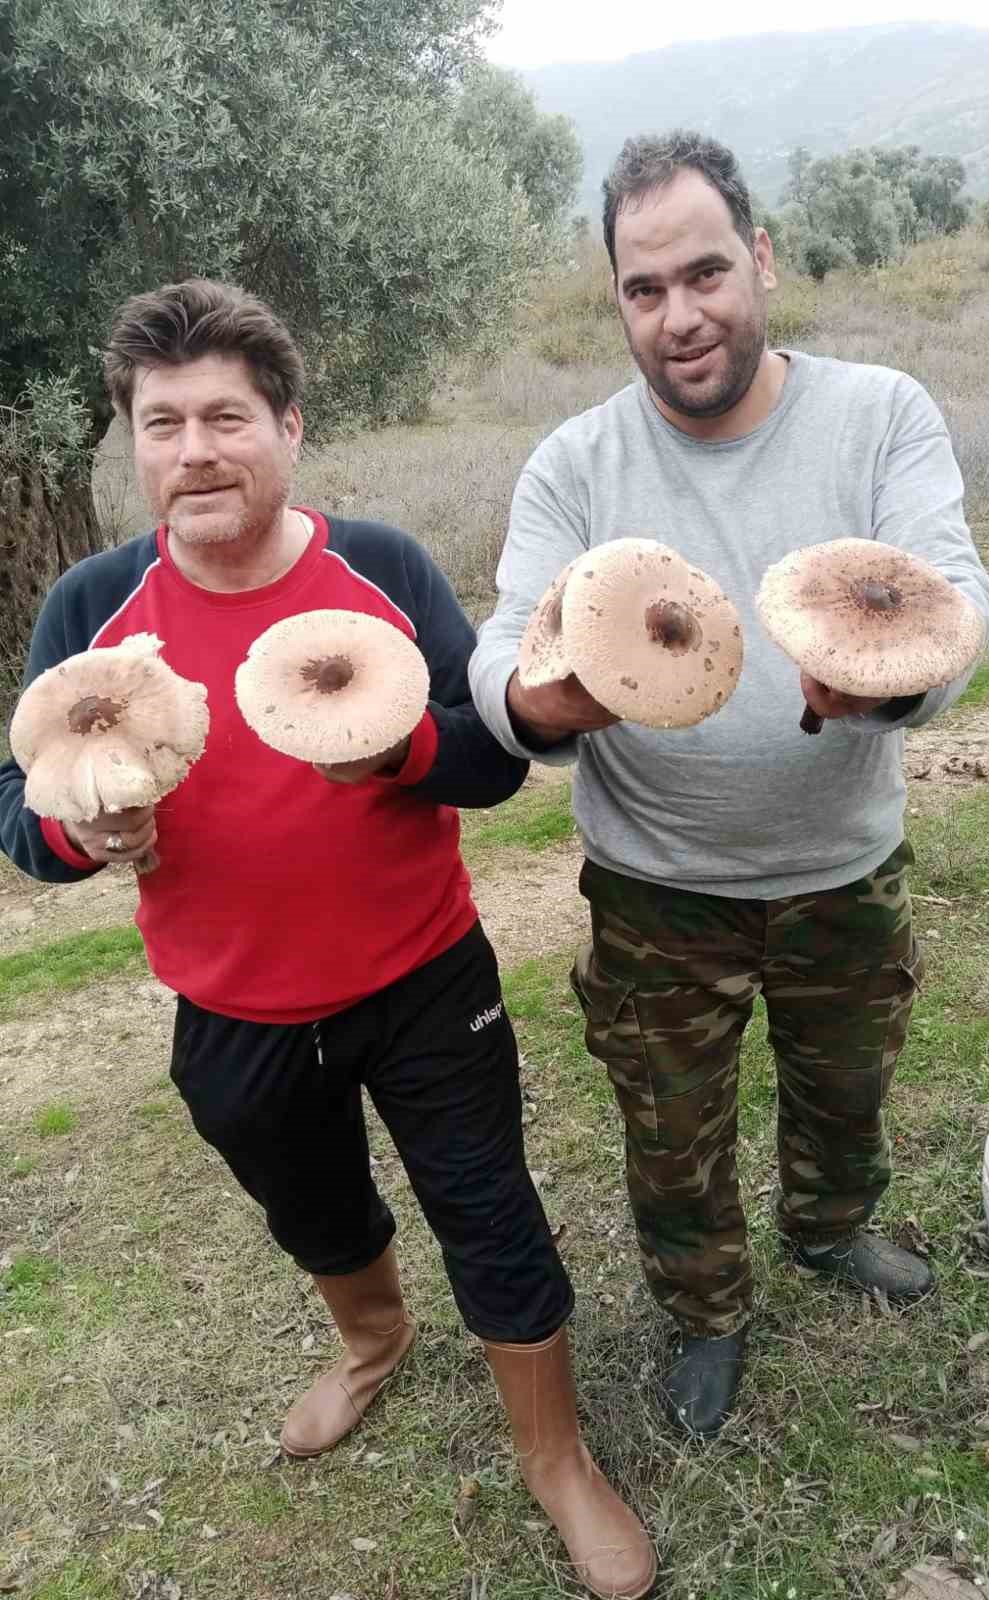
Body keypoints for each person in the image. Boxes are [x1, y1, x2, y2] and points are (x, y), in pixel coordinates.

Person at [0, 280, 655, 1600]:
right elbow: (21, 809)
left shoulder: (384, 569)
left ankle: (557, 1456)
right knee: (309, 1202)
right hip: (229, 1008)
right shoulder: (91, 610)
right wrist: (89, 839)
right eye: (162, 421)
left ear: (290, 426)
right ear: (133, 440)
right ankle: (372, 1342)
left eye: (227, 417)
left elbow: (488, 765)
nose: (195, 451)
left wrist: (401, 748)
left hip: (424, 981)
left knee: (489, 1208)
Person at [469, 132, 989, 1440]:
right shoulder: (576, 466)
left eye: (705, 273)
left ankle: (830, 1229)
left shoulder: (880, 413)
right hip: (658, 892)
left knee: (846, 1087)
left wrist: (886, 685)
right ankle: (706, 1310)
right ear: (618, 302)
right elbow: (499, 654)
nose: (681, 315)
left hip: (843, 868)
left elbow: (954, 588)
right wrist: (543, 703)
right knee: (672, 1128)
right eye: (644, 291)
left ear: (760, 258)